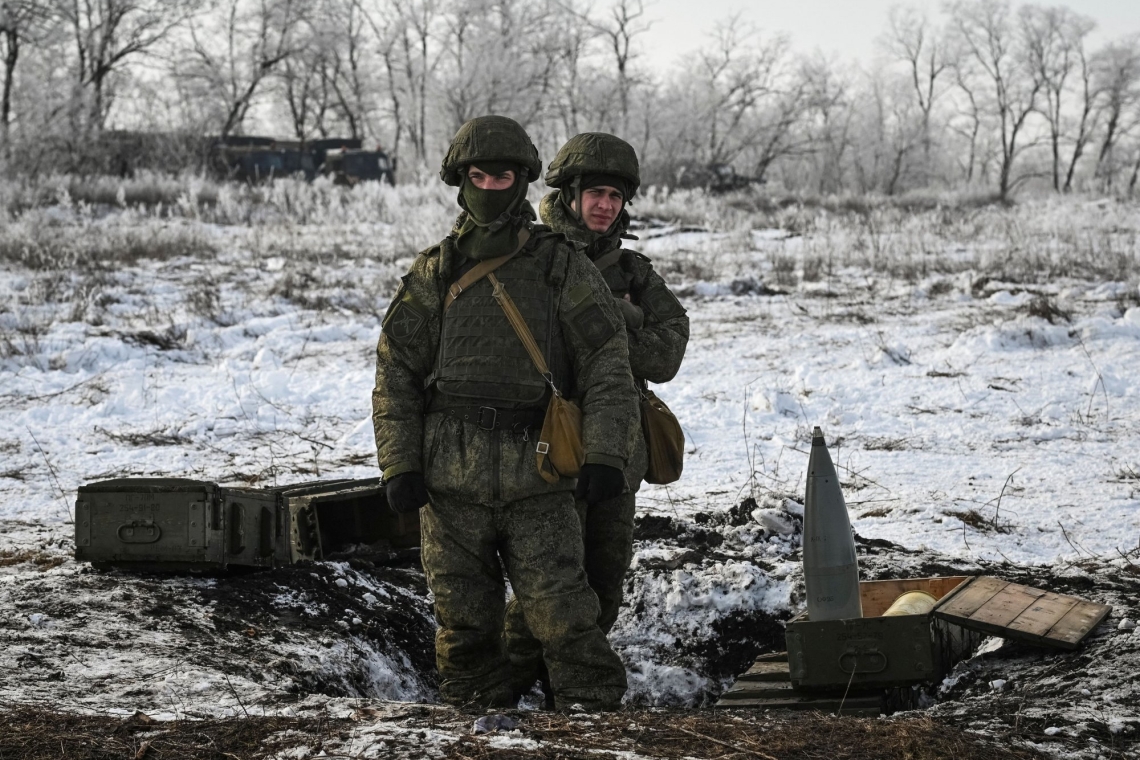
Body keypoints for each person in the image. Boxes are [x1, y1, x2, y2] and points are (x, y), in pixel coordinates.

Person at [371, 116, 638, 712]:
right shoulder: (434, 271)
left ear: (524, 182)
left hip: (539, 476)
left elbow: (606, 364)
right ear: (460, 180)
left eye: (505, 176)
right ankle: (473, 730)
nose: (491, 187)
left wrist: (604, 453)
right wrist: (399, 466)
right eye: (479, 175)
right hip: (450, 480)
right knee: (464, 629)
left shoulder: (561, 266)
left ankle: (596, 731)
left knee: (568, 622)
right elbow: (396, 373)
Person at [504, 132, 690, 702]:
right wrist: (620, 325)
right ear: (571, 193)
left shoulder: (632, 271)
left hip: (619, 448)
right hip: (547, 444)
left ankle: (561, 700)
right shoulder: (530, 256)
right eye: (596, 193)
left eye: (616, 195)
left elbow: (667, 354)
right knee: (550, 588)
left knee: (605, 584)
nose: (606, 205)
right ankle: (501, 695)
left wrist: (616, 324)